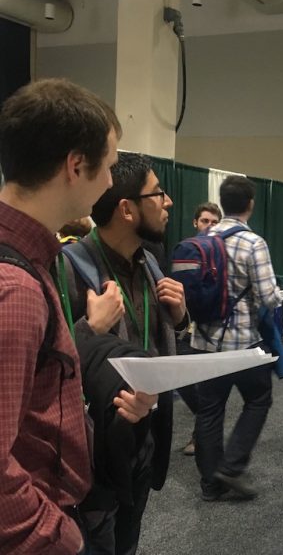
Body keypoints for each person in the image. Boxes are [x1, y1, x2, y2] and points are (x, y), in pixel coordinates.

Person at [0, 78, 120, 553]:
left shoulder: (31, 259)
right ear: (75, 166)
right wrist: (54, 534)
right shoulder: (16, 289)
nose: (110, 182)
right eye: (108, 167)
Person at [61, 152, 187, 555]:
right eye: (158, 194)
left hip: (143, 437)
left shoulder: (150, 263)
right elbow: (43, 368)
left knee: (128, 542)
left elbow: (156, 342)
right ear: (127, 210)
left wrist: (180, 318)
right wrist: (90, 329)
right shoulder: (67, 267)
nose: (168, 202)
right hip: (94, 447)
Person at [190, 175, 281, 501]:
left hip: (203, 342)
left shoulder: (202, 239)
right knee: (258, 399)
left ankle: (210, 484)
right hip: (242, 343)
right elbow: (270, 297)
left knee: (209, 410)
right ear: (250, 205)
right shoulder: (253, 243)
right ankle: (231, 466)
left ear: (222, 201)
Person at [178, 201, 223, 456]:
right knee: (184, 382)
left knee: (207, 386)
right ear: (196, 222)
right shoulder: (186, 250)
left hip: (213, 332)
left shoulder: (223, 254)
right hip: (185, 329)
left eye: (214, 222)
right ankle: (206, 421)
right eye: (205, 221)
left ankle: (201, 434)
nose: (209, 226)